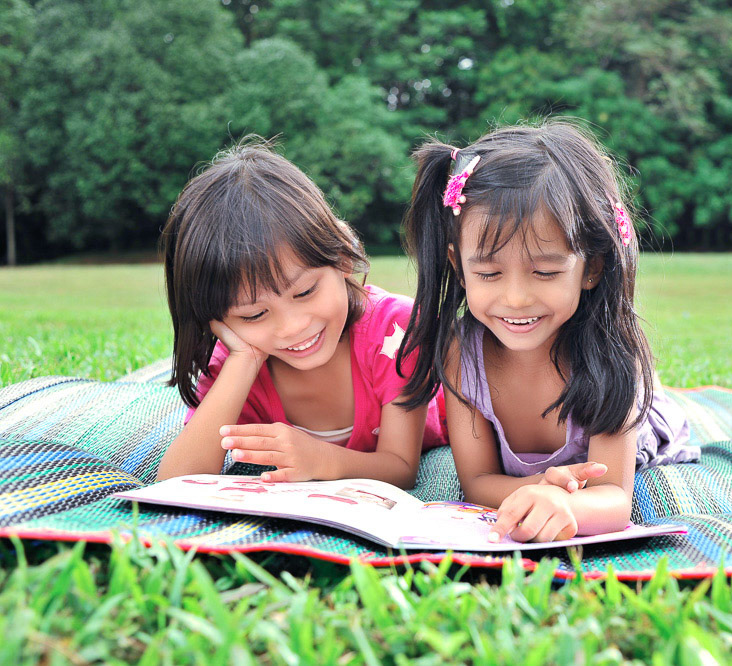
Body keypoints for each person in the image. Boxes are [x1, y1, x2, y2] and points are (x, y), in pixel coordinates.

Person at [398, 121, 698, 543]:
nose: (516, 298)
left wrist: (567, 506)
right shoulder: (461, 354)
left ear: (591, 268)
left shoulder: (614, 356)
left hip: (637, 423)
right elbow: (479, 481)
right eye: (488, 272)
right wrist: (541, 492)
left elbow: (614, 496)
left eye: (545, 271)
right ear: (459, 267)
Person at [156, 138, 446, 486]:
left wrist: (323, 460)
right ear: (216, 320)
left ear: (341, 257)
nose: (293, 327)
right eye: (253, 315)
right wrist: (245, 359)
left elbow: (400, 468)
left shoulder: (395, 330)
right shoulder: (234, 362)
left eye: (306, 291)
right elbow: (176, 481)